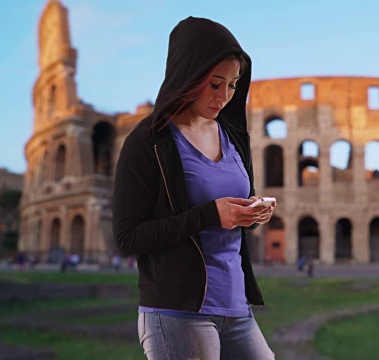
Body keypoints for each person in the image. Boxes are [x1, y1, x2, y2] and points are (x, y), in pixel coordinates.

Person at [113, 17, 275, 359]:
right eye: (215, 84)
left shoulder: (233, 137)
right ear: (188, 75)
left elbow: (231, 214)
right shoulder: (149, 142)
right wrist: (210, 214)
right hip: (177, 311)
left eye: (232, 85)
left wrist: (252, 212)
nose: (224, 97)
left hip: (236, 306)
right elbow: (127, 238)